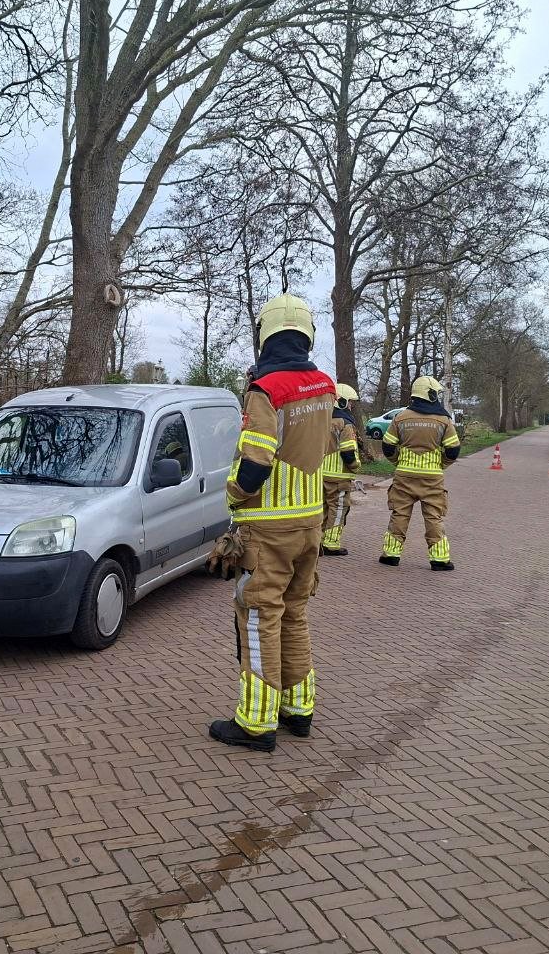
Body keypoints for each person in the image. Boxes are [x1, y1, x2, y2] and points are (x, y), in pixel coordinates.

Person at [209, 294, 335, 753]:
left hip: (268, 528)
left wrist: (234, 494)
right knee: (294, 613)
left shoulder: (266, 388)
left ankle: (256, 722)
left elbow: (256, 462)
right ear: (307, 334)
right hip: (309, 522)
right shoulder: (324, 385)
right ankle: (298, 709)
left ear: (265, 334)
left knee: (259, 617)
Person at [379, 375, 461, 571]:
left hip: (404, 477)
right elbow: (453, 450)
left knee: (399, 514)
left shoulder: (400, 417)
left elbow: (388, 446)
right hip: (432, 479)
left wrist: (399, 462)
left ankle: (391, 555)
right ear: (430, 394)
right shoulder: (443, 420)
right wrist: (440, 464)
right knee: (433, 517)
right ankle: (439, 559)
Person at [320, 383, 361, 556]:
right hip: (339, 476)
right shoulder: (345, 424)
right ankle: (331, 543)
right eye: (349, 402)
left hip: (319, 474)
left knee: (322, 509)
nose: (351, 406)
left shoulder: (320, 420)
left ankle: (318, 540)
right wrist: (356, 466)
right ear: (342, 402)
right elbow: (348, 452)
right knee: (338, 509)